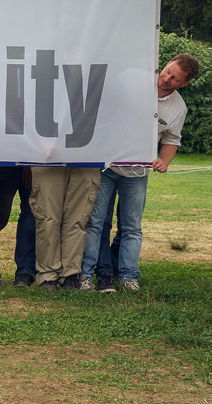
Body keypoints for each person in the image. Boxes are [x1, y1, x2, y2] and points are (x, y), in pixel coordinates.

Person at [79, 53, 199, 292]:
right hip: (106, 164)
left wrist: (164, 161)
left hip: (137, 172)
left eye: (175, 79)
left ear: (184, 84)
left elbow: (172, 139)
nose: (166, 79)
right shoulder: (133, 78)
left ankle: (129, 276)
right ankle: (86, 275)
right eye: (166, 71)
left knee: (132, 227)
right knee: (96, 222)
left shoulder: (178, 107)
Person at [29, 160, 101, 290]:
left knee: (78, 220)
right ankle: (47, 275)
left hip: (87, 160)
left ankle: (70, 274)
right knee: (48, 220)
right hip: (49, 159)